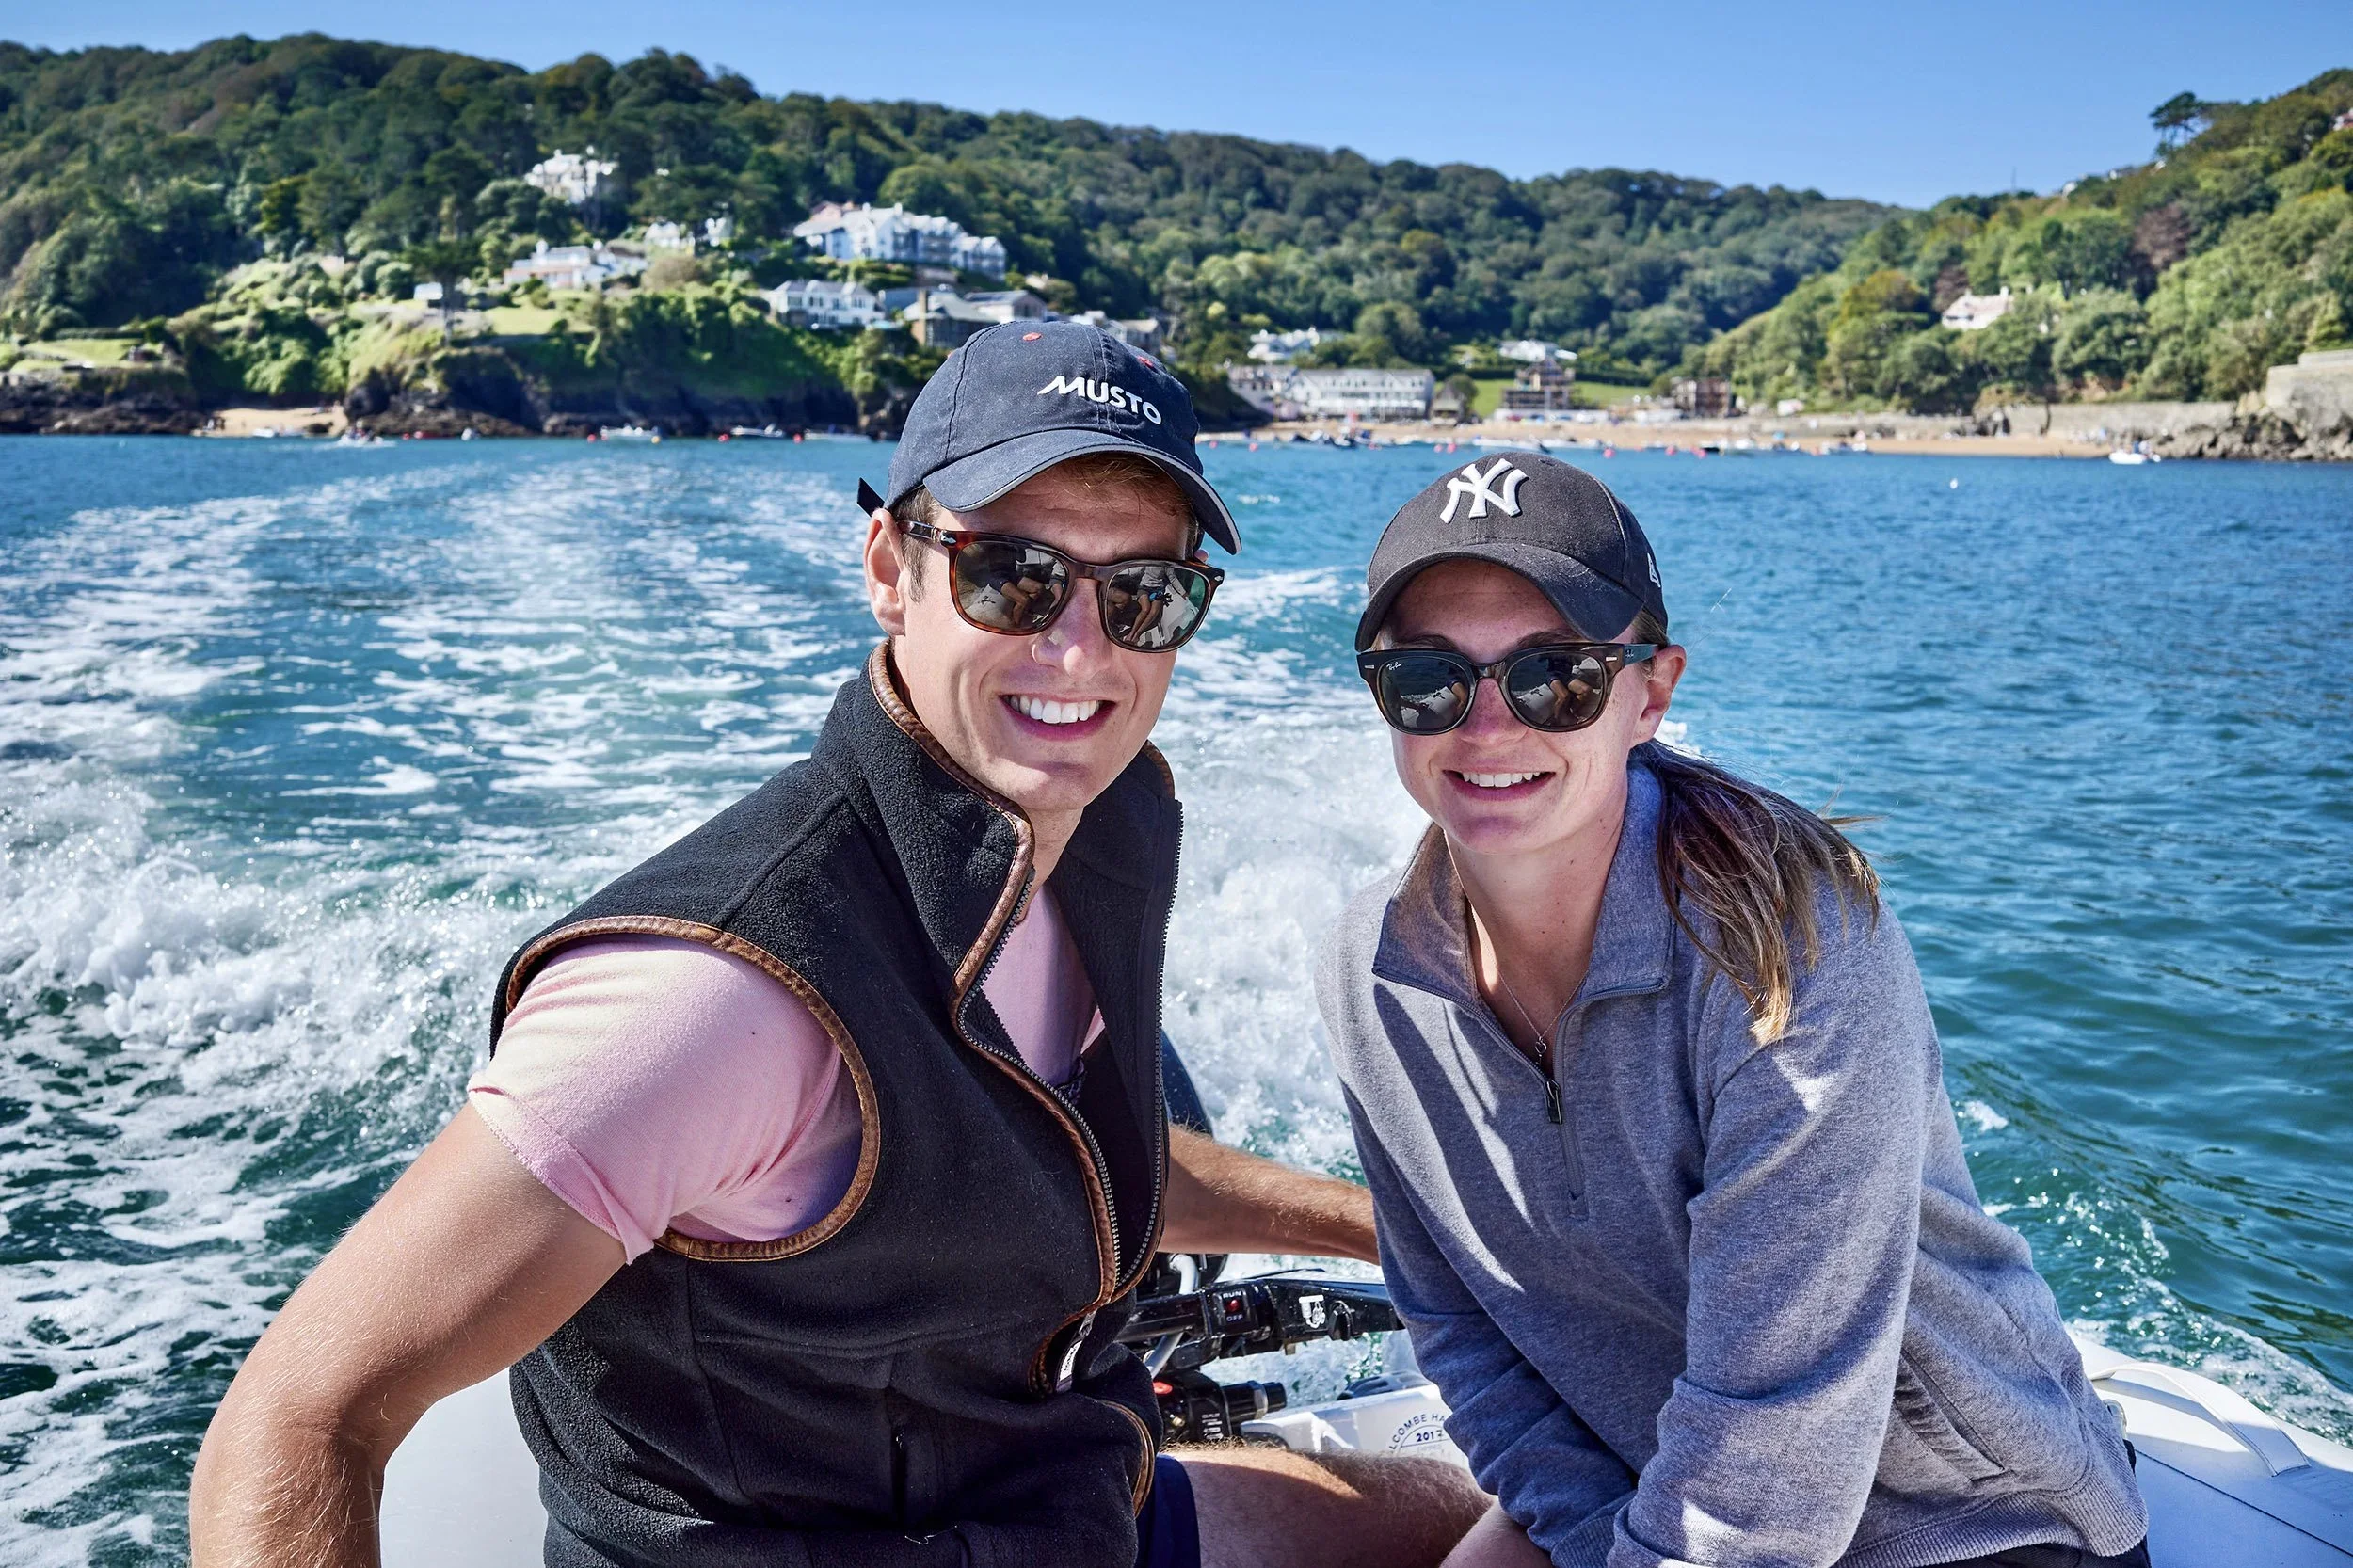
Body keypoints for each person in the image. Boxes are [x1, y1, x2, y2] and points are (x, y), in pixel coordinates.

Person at [191, 321, 1484, 1568]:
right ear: (889, 567)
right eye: (1012, 575)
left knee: (1483, 1514)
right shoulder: (711, 997)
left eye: (1142, 593)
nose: (1081, 645)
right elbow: (301, 1418)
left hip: (1036, 1503)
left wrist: (1400, 1231)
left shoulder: (1069, 838)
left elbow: (1058, 1157)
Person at [1319, 454, 2151, 1568]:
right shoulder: (1369, 977)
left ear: (1649, 693)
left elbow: (1779, 1434)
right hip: (1637, 1495)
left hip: (1966, 1528)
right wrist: (1585, 1537)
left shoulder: (1788, 949)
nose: (1484, 724)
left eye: (1553, 677)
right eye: (1427, 678)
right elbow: (1467, 1335)